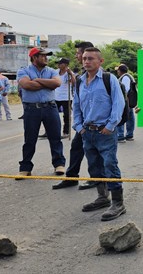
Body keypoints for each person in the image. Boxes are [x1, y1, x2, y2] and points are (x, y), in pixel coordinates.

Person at [73, 47, 126, 221]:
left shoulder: (108, 79)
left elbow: (118, 104)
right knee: (94, 166)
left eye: (91, 59)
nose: (86, 61)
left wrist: (110, 126)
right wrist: (79, 126)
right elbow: (76, 106)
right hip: (87, 132)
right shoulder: (80, 81)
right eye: (85, 58)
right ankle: (102, 197)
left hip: (105, 132)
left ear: (100, 61)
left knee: (110, 164)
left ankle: (118, 203)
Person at [53, 41, 99, 190]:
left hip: (97, 122)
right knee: (77, 147)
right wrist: (78, 123)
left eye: (78, 53)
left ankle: (97, 180)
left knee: (95, 152)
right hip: (84, 122)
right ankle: (72, 177)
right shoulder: (82, 76)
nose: (77, 56)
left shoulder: (101, 76)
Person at [16, 47, 67, 178]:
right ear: (34, 57)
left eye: (46, 56)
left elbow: (57, 83)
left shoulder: (51, 71)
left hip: (50, 107)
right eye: (43, 56)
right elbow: (27, 85)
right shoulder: (23, 70)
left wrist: (37, 81)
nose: (46, 58)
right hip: (31, 109)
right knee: (30, 139)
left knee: (55, 137)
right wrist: (47, 84)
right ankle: (25, 167)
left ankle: (59, 164)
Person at [54, 58, 75, 136]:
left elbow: (74, 83)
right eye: (58, 63)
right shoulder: (55, 72)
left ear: (65, 64)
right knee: (52, 114)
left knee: (66, 115)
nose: (58, 65)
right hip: (56, 96)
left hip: (66, 97)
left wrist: (71, 74)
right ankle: (50, 131)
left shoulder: (68, 73)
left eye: (60, 63)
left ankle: (66, 132)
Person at [115, 64, 135, 143]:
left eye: (118, 70)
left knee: (122, 117)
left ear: (120, 70)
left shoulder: (125, 78)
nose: (117, 72)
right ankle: (129, 135)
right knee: (130, 118)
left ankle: (120, 136)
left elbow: (125, 90)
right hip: (129, 101)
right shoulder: (128, 76)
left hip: (126, 101)